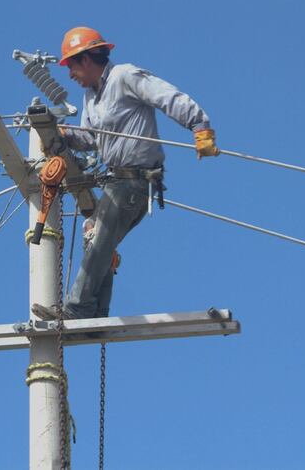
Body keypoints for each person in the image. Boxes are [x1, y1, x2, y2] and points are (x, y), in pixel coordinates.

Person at [30, 26, 219, 321]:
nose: (70, 75)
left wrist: (200, 126)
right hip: (116, 179)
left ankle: (77, 309)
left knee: (102, 236)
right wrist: (65, 136)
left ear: (88, 59)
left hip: (135, 180)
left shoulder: (125, 77)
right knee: (95, 236)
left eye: (72, 66)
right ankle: (95, 312)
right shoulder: (91, 98)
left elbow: (167, 96)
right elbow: (93, 138)